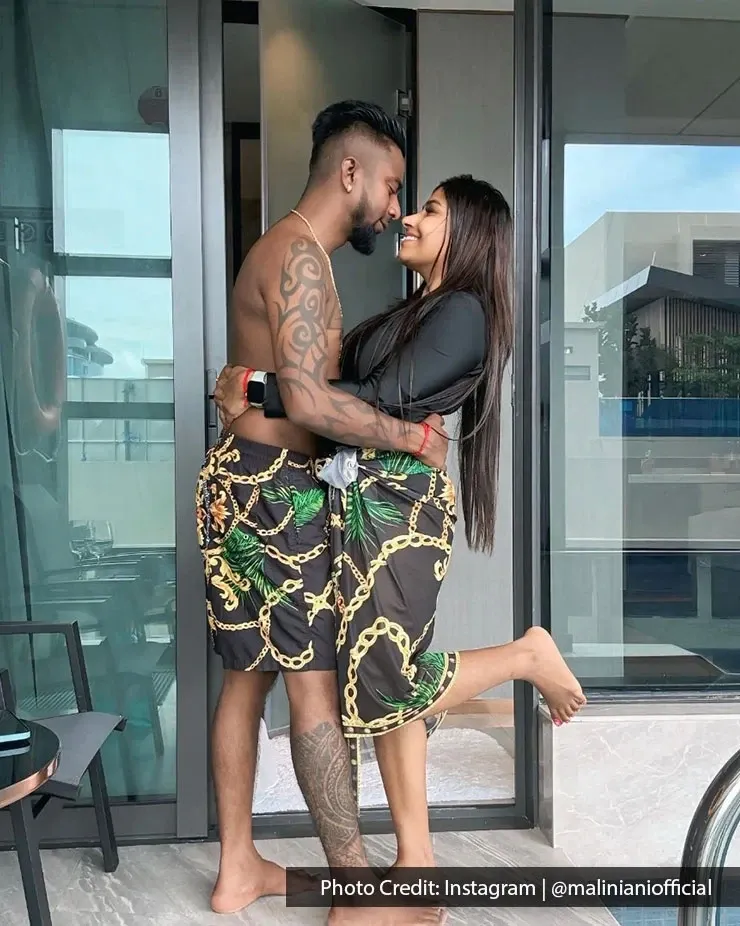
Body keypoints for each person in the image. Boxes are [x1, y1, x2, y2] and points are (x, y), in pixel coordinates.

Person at [214, 174, 587, 870]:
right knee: (372, 676)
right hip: (364, 500)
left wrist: (257, 386)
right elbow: (333, 388)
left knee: (387, 675)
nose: (409, 218)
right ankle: (416, 862)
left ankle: (524, 656)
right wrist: (277, 383)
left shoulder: (465, 312)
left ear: (467, 233)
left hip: (401, 510)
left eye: (431, 211)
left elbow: (373, 400)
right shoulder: (417, 311)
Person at [196, 100, 448, 925]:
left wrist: (250, 389)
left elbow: (276, 382)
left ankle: (240, 867)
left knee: (248, 678)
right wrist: (410, 437)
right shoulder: (301, 257)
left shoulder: (289, 252)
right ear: (350, 172)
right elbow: (307, 397)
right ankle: (355, 891)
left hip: (244, 477)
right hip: (273, 487)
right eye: (390, 184)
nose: (394, 207)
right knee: (315, 684)